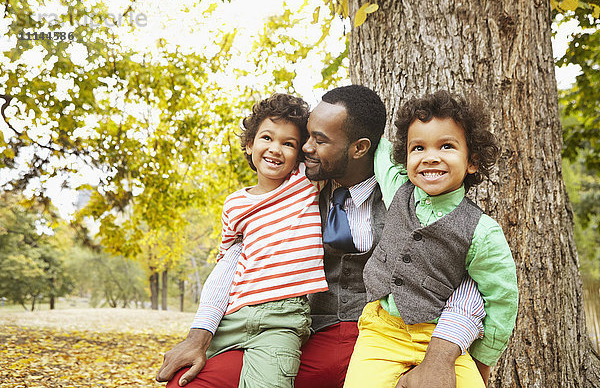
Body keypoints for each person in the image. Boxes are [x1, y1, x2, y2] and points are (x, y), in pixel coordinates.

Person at [157, 85, 491, 388]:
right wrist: (198, 336)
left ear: (360, 149)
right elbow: (237, 254)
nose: (304, 148)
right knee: (186, 383)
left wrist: (442, 355)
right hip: (299, 333)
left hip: (379, 336)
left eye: (319, 140)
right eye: (305, 137)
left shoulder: (409, 198)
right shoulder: (295, 192)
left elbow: (466, 275)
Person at [343, 90, 519, 388]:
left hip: (441, 335)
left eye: (446, 146)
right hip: (382, 331)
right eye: (418, 148)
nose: (430, 158)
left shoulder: (482, 231)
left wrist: (483, 360)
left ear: (472, 161)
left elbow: (501, 298)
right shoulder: (397, 188)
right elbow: (381, 149)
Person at [191, 92, 329, 388]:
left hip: (282, 319)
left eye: (288, 143)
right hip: (234, 315)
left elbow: (335, 148)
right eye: (267, 138)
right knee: (191, 375)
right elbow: (228, 259)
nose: (276, 149)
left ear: (299, 153)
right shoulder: (234, 204)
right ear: (250, 144)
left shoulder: (306, 182)